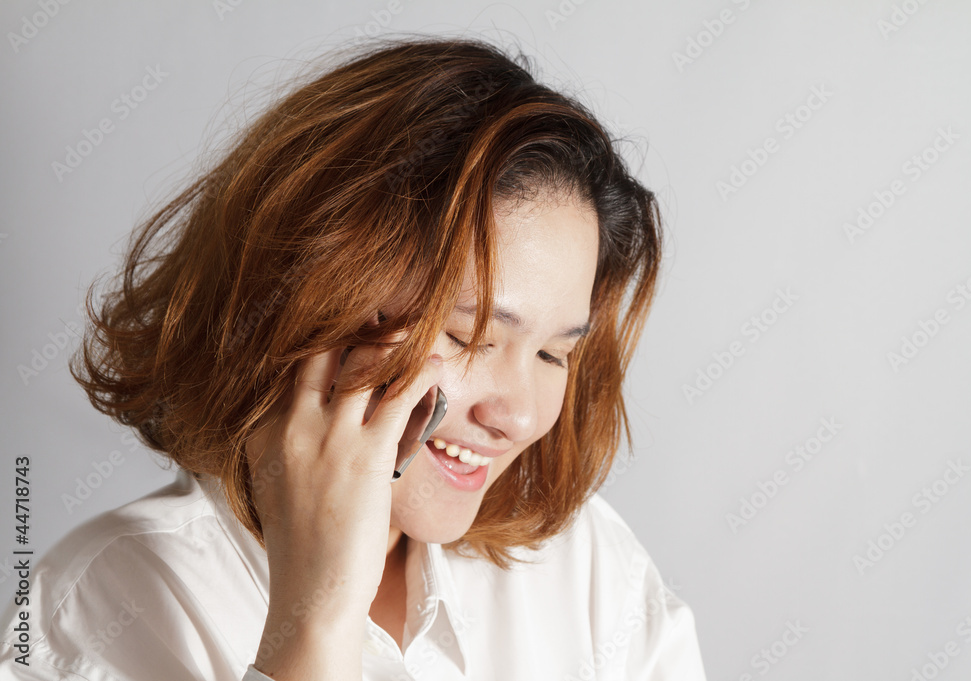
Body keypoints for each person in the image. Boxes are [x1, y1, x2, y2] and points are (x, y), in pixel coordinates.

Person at [0, 37, 707, 680]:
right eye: (467, 337)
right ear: (306, 301)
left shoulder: (582, 566)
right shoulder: (94, 606)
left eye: (555, 353)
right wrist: (314, 623)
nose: (518, 412)